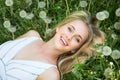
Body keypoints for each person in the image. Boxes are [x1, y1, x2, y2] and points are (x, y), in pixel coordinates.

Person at [0, 11, 105, 80]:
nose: (69, 37)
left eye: (77, 39)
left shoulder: (50, 75)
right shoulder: (31, 35)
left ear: (75, 49)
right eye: (69, 29)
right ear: (60, 26)